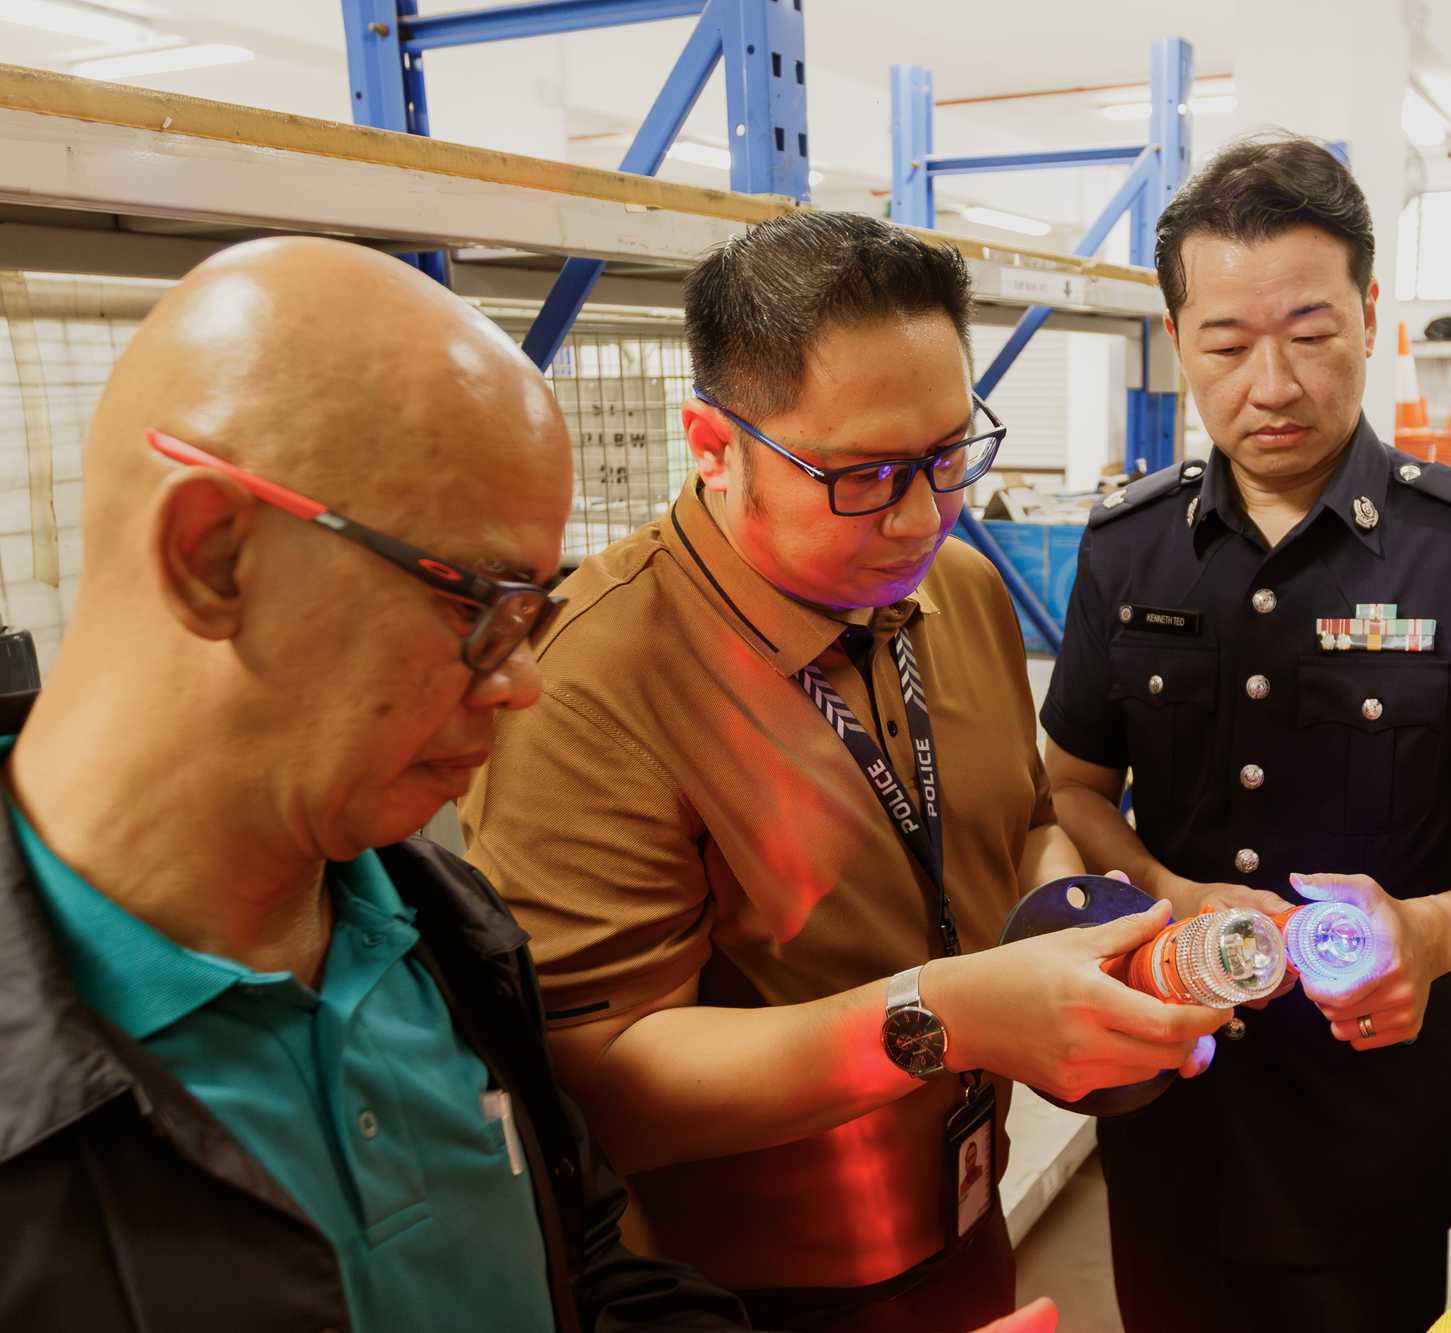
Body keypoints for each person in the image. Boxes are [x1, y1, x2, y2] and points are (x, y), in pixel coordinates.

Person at [461, 210, 1225, 1333]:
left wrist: (1070, 932)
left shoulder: (954, 593)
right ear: (714, 446)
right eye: (863, 474)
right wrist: (949, 1018)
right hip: (742, 1295)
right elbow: (604, 1084)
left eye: (948, 454)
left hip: (962, 1224)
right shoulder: (591, 682)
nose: (921, 515)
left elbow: (1013, 821)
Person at [0, 237, 766, 1331]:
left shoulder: (441, 934)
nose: (522, 683)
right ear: (217, 556)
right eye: (480, 605)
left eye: (533, 613)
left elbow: (589, 1277)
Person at [1039, 135, 1451, 1332]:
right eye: (1227, 346)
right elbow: (1071, 786)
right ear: (1176, 335)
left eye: (1310, 332)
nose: (1271, 385)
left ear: (1370, 315)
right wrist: (1165, 892)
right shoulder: (1125, 547)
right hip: (1167, 1080)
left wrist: (1432, 934)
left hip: (1369, 1114)